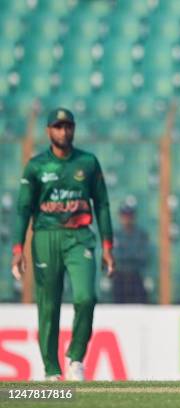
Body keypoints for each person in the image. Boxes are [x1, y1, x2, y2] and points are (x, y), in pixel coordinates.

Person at [10, 108, 115, 381]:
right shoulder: (36, 167)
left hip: (79, 236)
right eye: (58, 127)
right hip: (45, 237)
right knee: (48, 305)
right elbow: (23, 209)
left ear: (74, 129)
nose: (63, 132)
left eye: (68, 126)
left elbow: (102, 204)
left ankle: (76, 357)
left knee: (86, 297)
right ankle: (51, 370)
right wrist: (18, 249)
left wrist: (107, 245)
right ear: (48, 131)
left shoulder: (88, 163)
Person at [111, 203, 149, 303]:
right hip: (120, 277)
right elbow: (115, 256)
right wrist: (131, 255)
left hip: (135, 277)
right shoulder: (116, 235)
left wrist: (127, 255)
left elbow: (142, 256)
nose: (127, 219)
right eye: (124, 216)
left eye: (129, 216)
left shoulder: (141, 235)